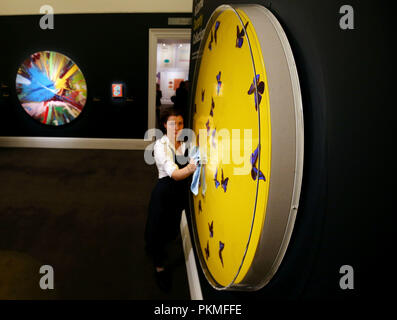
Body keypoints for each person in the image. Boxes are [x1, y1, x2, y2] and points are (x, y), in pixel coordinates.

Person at [144, 108, 197, 291]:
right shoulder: (160, 145)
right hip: (164, 194)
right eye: (173, 123)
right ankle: (160, 270)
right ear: (165, 125)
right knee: (157, 232)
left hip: (180, 195)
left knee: (171, 231)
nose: (177, 128)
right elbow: (174, 174)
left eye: (180, 124)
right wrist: (192, 167)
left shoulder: (186, 143)